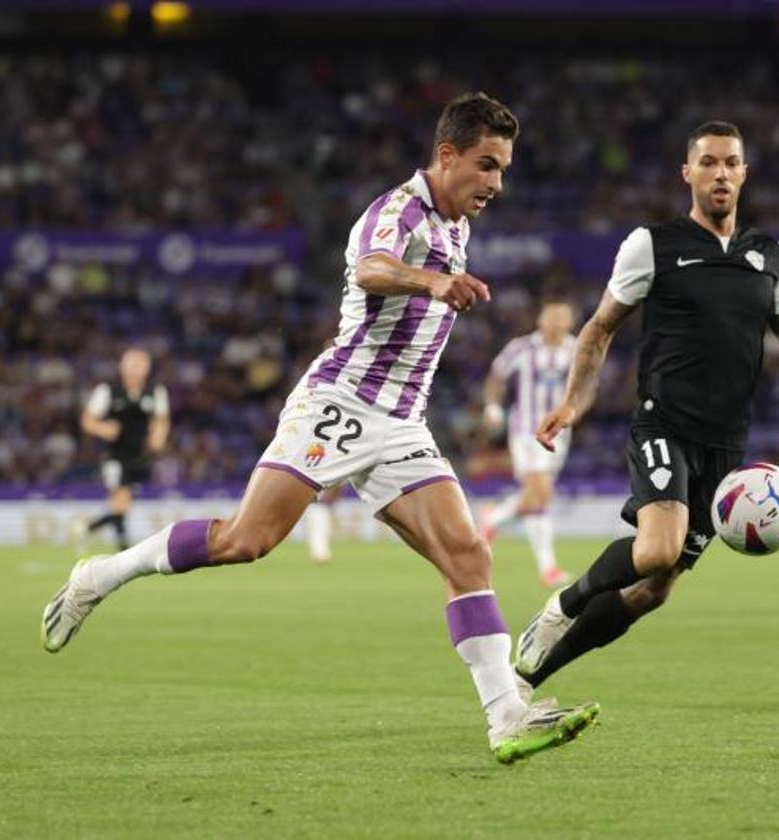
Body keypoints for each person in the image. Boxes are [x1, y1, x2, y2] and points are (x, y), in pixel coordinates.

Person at [41, 92, 599, 764]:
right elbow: (370, 268)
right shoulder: (398, 212)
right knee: (247, 541)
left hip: (400, 421)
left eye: (503, 169)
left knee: (467, 555)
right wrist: (430, 282)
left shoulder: (458, 225)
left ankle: (506, 717)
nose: (495, 184)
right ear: (447, 154)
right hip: (340, 402)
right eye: (485, 165)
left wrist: (438, 285)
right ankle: (98, 576)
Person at [512, 121, 779, 699]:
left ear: (744, 173)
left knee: (654, 589)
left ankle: (528, 679)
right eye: (707, 162)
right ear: (688, 172)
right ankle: (562, 604)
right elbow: (599, 328)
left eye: (731, 162)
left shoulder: (768, 255)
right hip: (664, 423)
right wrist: (574, 402)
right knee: (657, 547)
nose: (720, 173)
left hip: (725, 446)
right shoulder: (652, 245)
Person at [480, 298, 577, 587]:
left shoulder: (575, 350)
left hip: (561, 433)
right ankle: (549, 570)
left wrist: (574, 414)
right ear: (540, 320)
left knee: (537, 497)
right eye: (552, 317)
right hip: (527, 430)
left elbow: (588, 388)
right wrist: (492, 407)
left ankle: (494, 517)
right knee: (541, 492)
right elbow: (496, 377)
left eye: (562, 317)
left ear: (570, 322)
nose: (557, 323)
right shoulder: (522, 348)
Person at [74, 347, 170, 552]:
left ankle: (88, 527)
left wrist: (158, 439)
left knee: (123, 504)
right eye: (132, 363)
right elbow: (87, 420)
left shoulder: (155, 392)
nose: (136, 368)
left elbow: (161, 420)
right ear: (122, 366)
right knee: (121, 497)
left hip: (140, 456)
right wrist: (103, 428)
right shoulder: (107, 390)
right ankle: (123, 548)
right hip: (114, 455)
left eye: (141, 364)